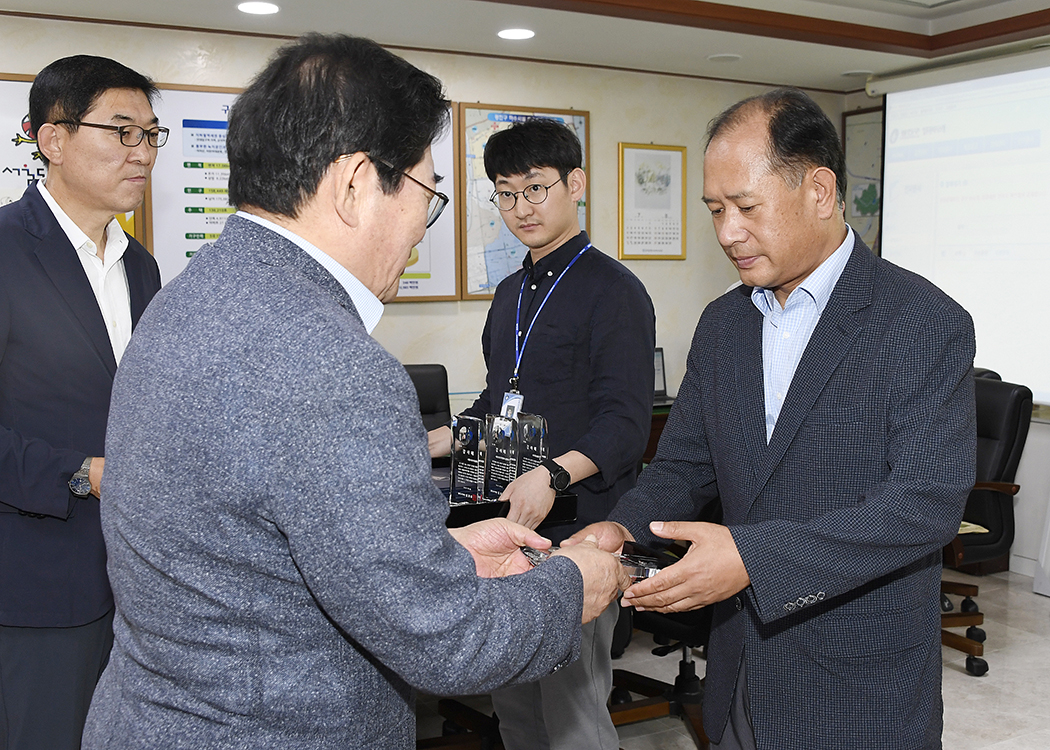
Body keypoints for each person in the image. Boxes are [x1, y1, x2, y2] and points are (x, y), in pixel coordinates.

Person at [81, 34, 629, 750]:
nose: (418, 232)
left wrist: (443, 554)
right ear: (354, 184)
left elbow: (257, 556)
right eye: (426, 197)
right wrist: (572, 585)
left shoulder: (186, 296)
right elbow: (447, 641)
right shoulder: (335, 364)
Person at [567, 88, 976, 749]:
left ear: (819, 190)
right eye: (715, 210)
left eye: (746, 208)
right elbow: (684, 467)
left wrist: (753, 558)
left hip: (861, 693)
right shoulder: (724, 323)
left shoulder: (923, 323)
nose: (728, 232)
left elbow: (924, 505)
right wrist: (620, 526)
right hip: (739, 676)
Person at [430, 118, 655, 750]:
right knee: (515, 706)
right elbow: (500, 399)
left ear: (575, 184)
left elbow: (626, 425)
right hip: (507, 525)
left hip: (577, 530)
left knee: (574, 712)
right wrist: (444, 438)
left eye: (535, 189)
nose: (521, 208)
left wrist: (553, 474)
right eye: (505, 193)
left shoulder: (615, 290)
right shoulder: (509, 293)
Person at [0, 55, 164, 750]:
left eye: (151, 134)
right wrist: (83, 473)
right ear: (53, 139)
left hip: (142, 581)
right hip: (37, 582)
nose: (142, 152)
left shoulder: (142, 266)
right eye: (121, 131)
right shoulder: (6, 250)